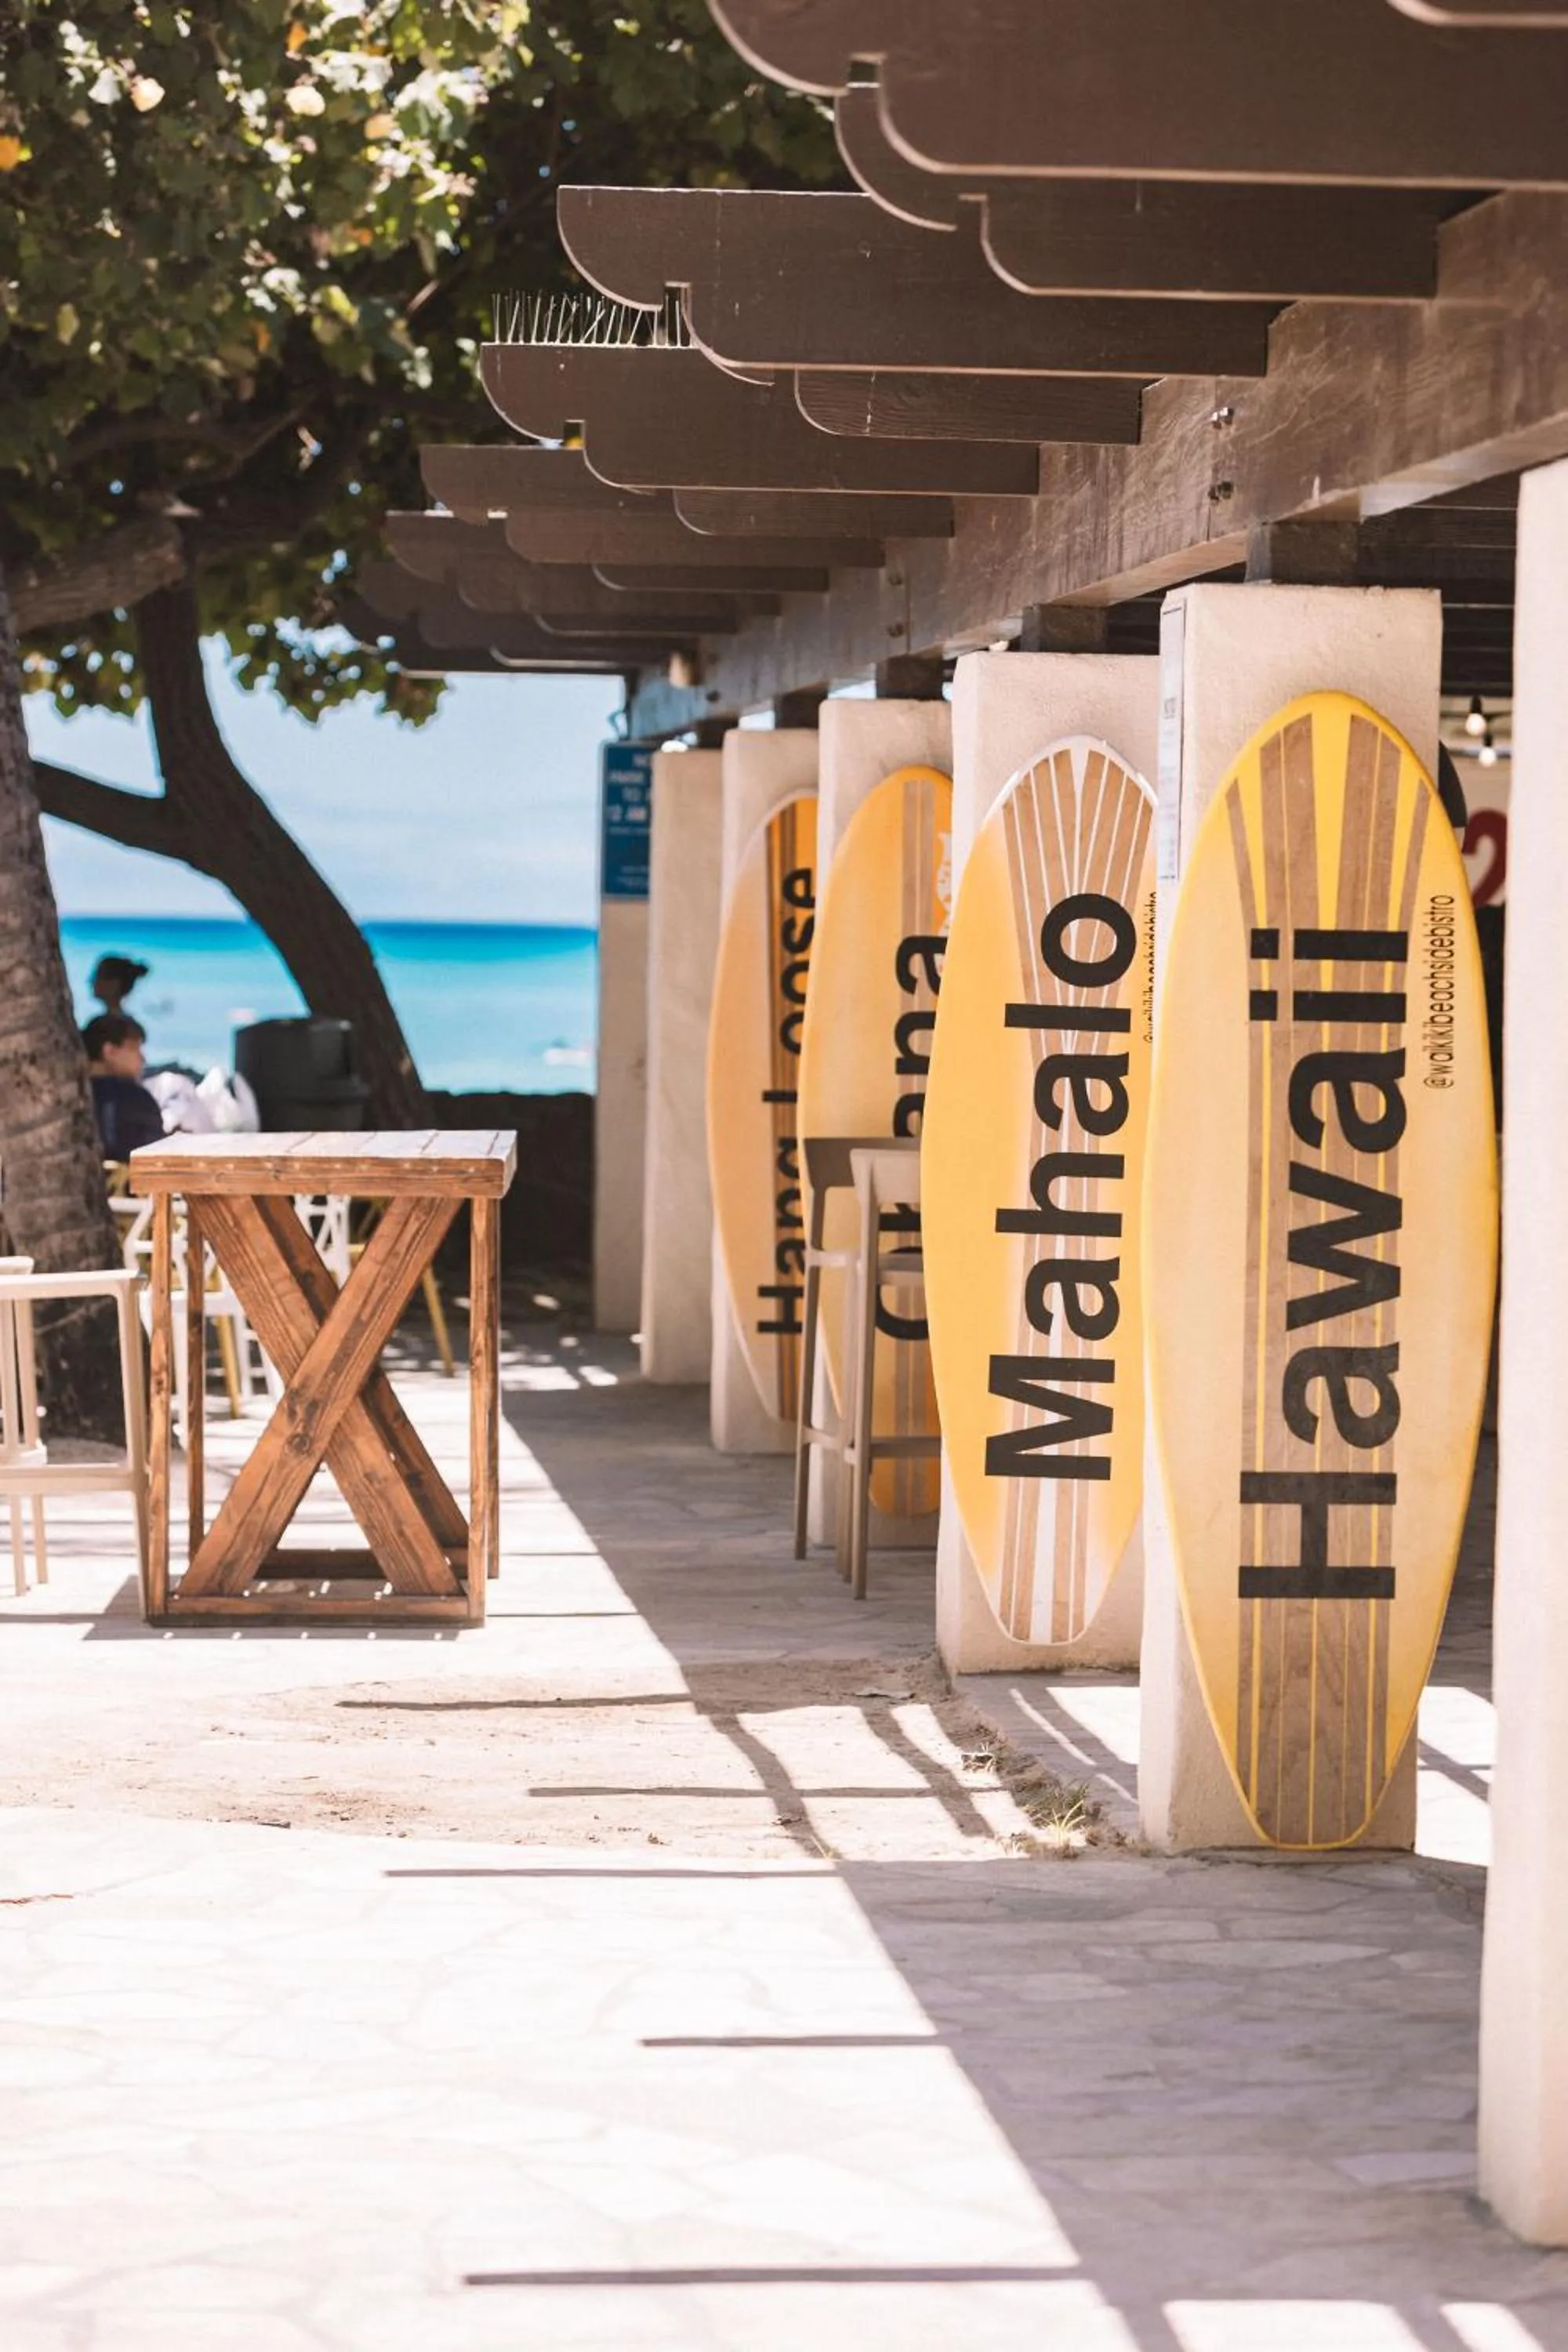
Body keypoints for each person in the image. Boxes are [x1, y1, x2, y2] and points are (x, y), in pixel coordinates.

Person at [82, 1013, 165, 1160]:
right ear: (110, 1051)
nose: (143, 1058)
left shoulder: (69, 1095)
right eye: (135, 1049)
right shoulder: (136, 1099)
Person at [89, 954, 149, 1018]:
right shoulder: (126, 1023)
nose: (92, 982)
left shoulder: (108, 1023)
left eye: (98, 977)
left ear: (115, 983)